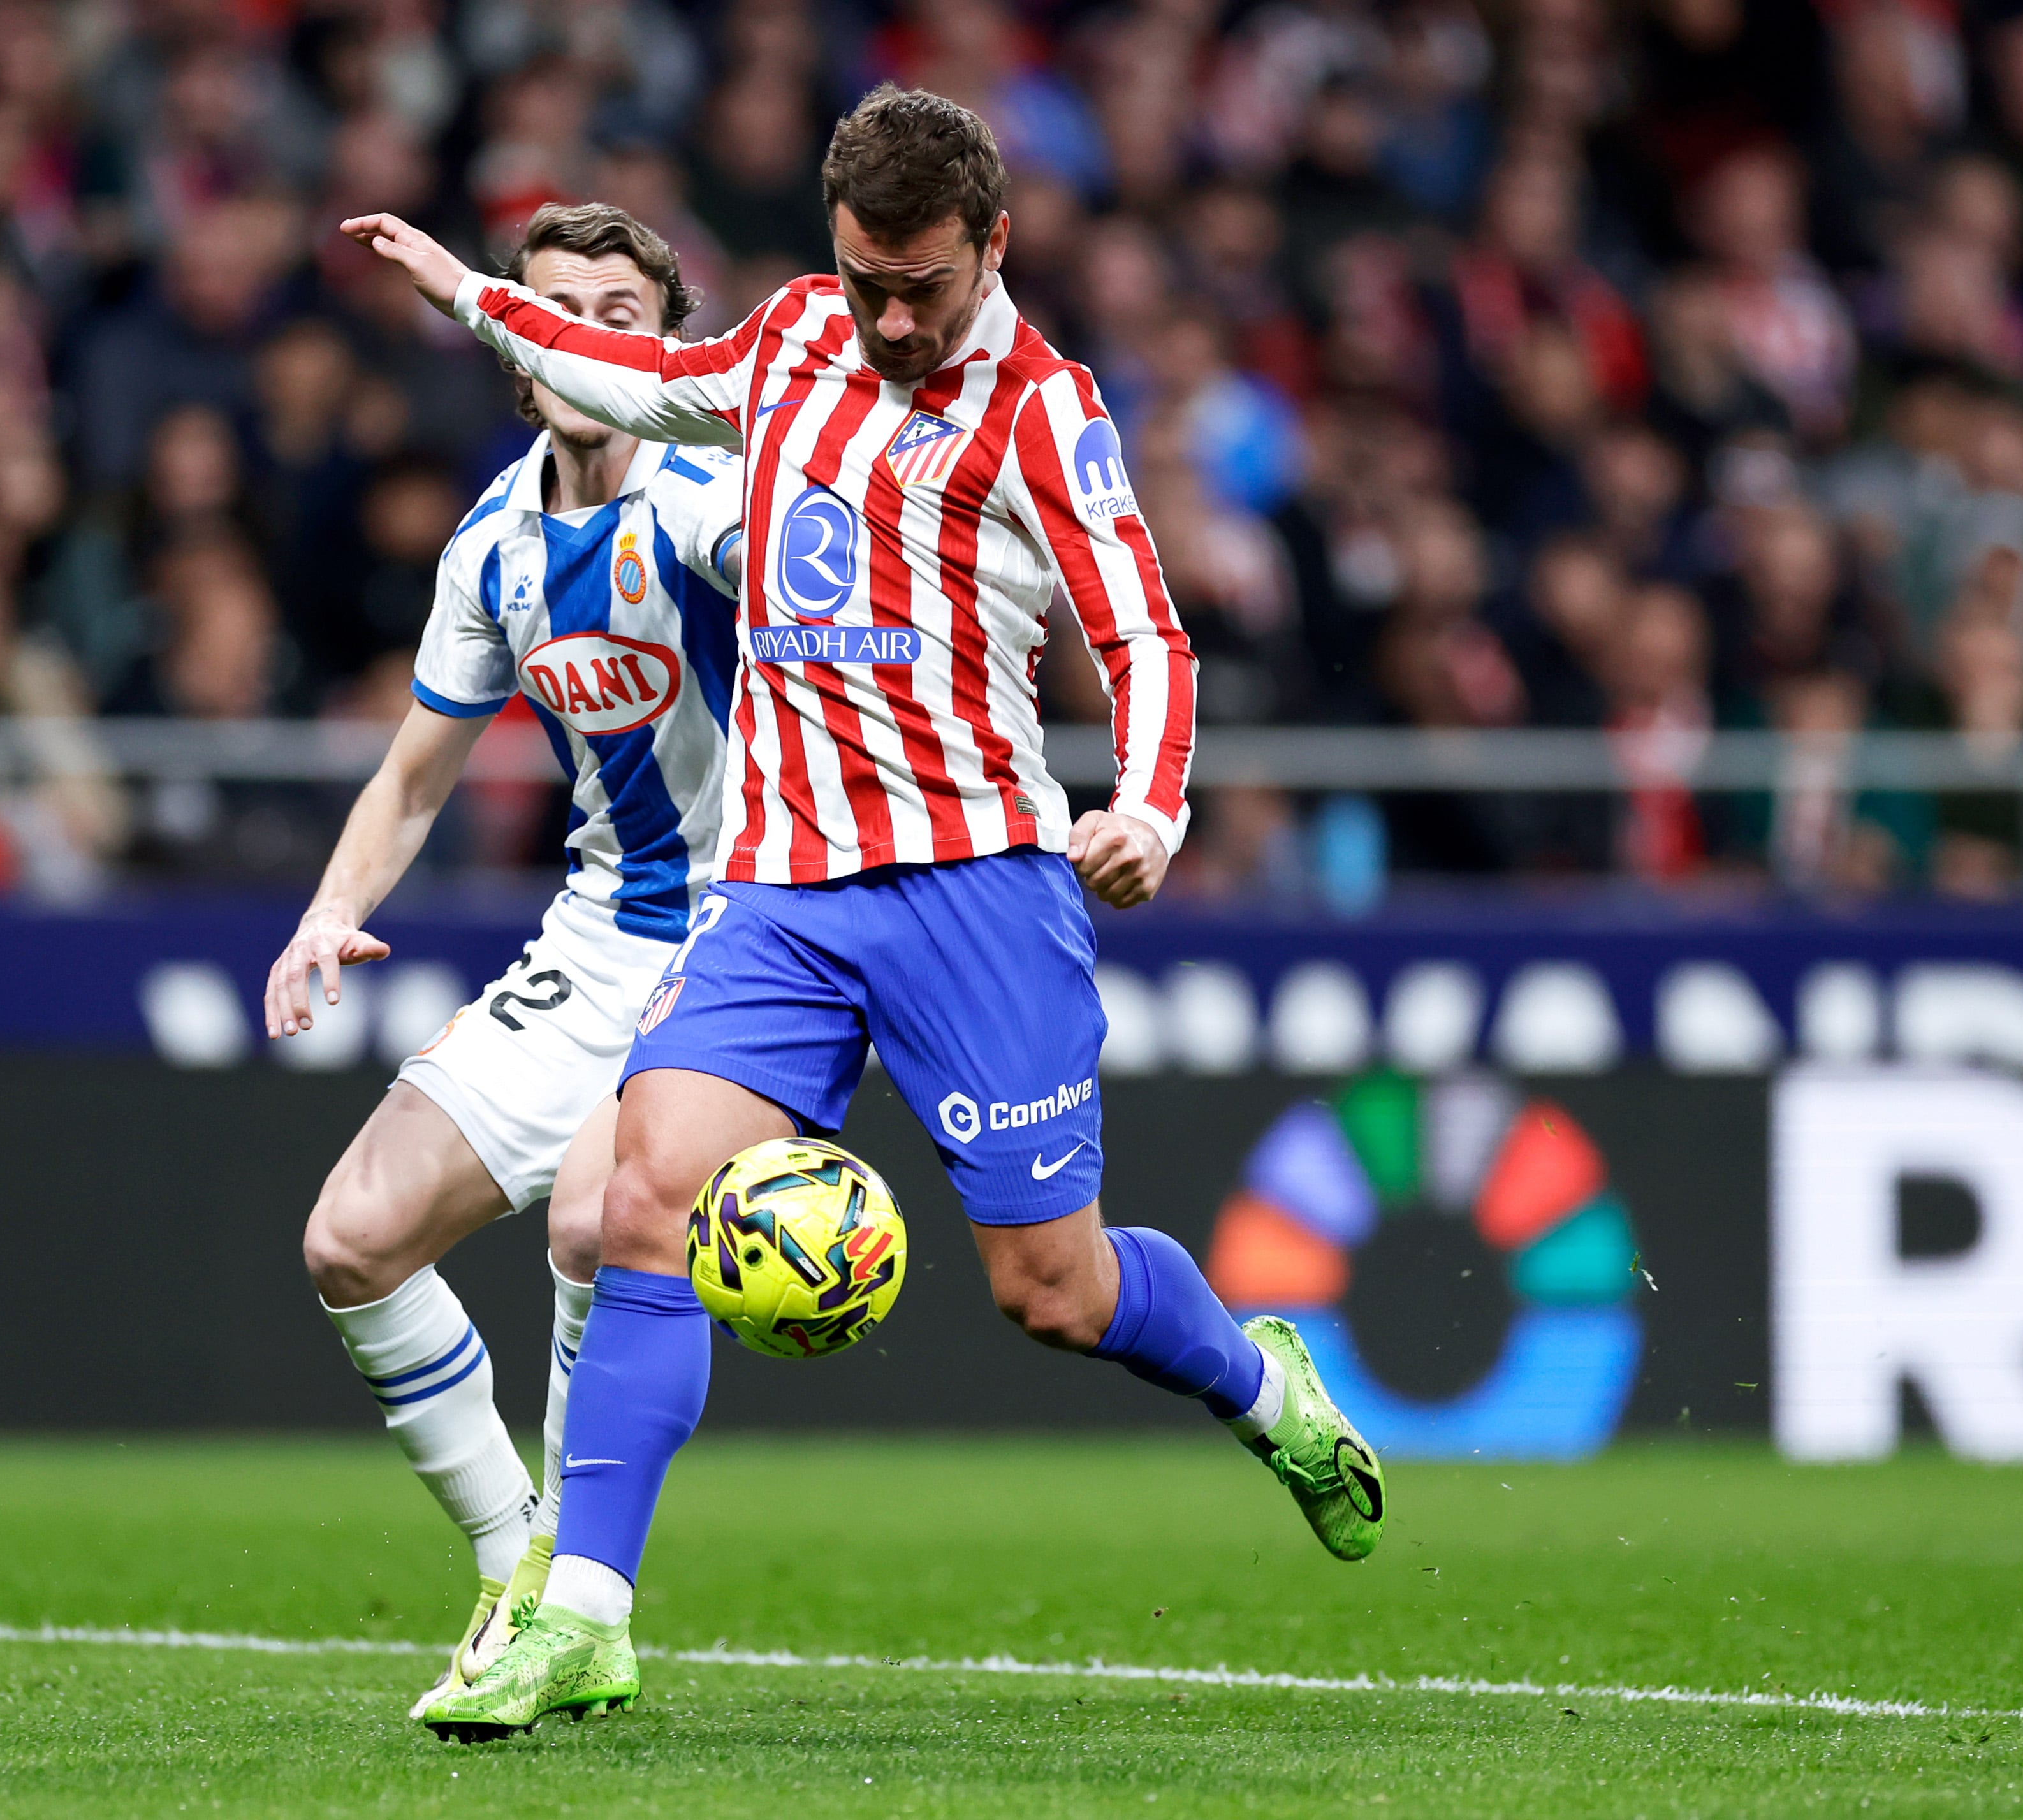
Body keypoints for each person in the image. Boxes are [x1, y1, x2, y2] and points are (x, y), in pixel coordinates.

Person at [341, 84, 1385, 1742]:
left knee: (1050, 1290)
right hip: (781, 891)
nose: (890, 318)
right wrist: (478, 298)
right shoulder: (797, 341)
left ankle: (1263, 1384)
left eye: (923, 286)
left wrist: (1150, 804)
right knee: (639, 1198)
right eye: (864, 278)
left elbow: (1151, 642)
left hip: (978, 893)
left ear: (994, 243)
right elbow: (646, 374)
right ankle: (583, 1618)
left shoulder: (1046, 411)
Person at [260, 202, 747, 1721]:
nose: (581, 330)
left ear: (662, 345)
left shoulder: (713, 505)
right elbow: (412, 778)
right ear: (507, 339)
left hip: (756, 931)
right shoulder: (493, 546)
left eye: (618, 304)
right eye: (550, 305)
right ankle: (516, 1556)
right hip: (602, 929)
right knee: (348, 1241)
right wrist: (322, 911)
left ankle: (573, 1606)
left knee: (602, 1221)